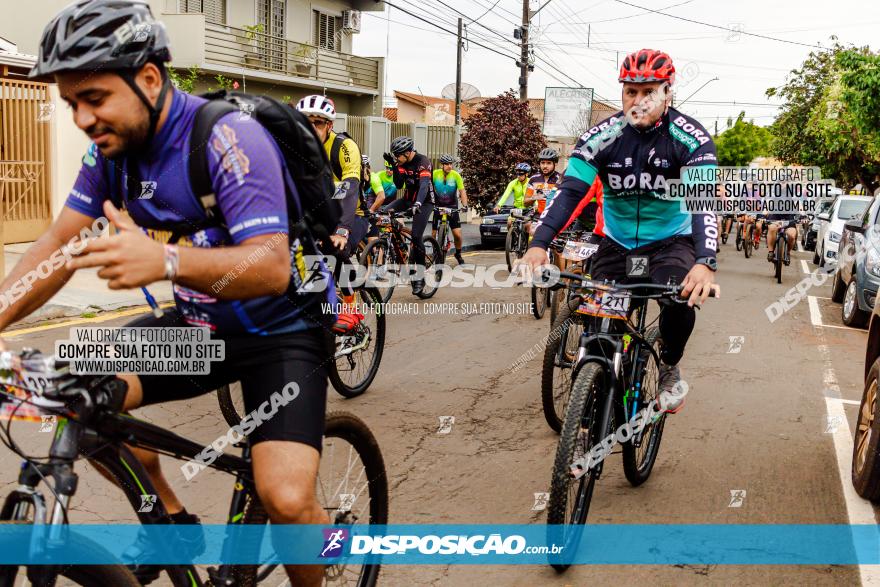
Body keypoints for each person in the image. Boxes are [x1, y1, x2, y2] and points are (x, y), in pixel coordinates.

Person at [20, 2, 335, 585]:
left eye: (94, 98)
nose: (83, 118)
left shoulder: (225, 137)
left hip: (281, 335)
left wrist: (163, 258)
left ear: (147, 78)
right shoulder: (111, 155)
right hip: (199, 331)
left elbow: (269, 266)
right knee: (77, 396)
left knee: (288, 500)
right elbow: (58, 245)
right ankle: (170, 517)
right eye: (71, 105)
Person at [519, 48, 720, 414]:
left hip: (670, 242)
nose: (638, 101)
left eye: (649, 92)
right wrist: (539, 244)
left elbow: (703, 203)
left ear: (667, 93)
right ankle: (592, 401)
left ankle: (670, 364)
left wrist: (705, 261)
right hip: (616, 241)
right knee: (599, 328)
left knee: (679, 299)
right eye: (631, 92)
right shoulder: (602, 136)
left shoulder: (692, 139)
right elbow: (569, 194)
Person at [295, 94, 368, 333]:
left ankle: (350, 308)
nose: (311, 128)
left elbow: (350, 188)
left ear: (329, 125)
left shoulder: (344, 147)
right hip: (318, 212)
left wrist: (343, 230)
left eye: (318, 123)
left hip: (351, 213)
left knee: (335, 251)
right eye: (306, 122)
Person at [383, 136, 435, 295]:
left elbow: (424, 186)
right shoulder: (401, 163)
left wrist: (418, 204)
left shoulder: (423, 161)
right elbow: (399, 184)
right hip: (407, 199)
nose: (396, 158)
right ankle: (401, 247)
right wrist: (393, 165)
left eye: (397, 155)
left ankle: (419, 277)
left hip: (424, 202)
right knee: (383, 214)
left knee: (417, 234)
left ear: (407, 152)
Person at [432, 154, 469, 265]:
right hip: (438, 207)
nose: (449, 166)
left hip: (452, 207)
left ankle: (458, 253)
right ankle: (435, 253)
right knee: (433, 234)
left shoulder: (456, 175)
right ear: (442, 165)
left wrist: (465, 205)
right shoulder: (434, 174)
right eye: (447, 164)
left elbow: (462, 191)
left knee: (457, 235)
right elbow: (427, 187)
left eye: (450, 164)